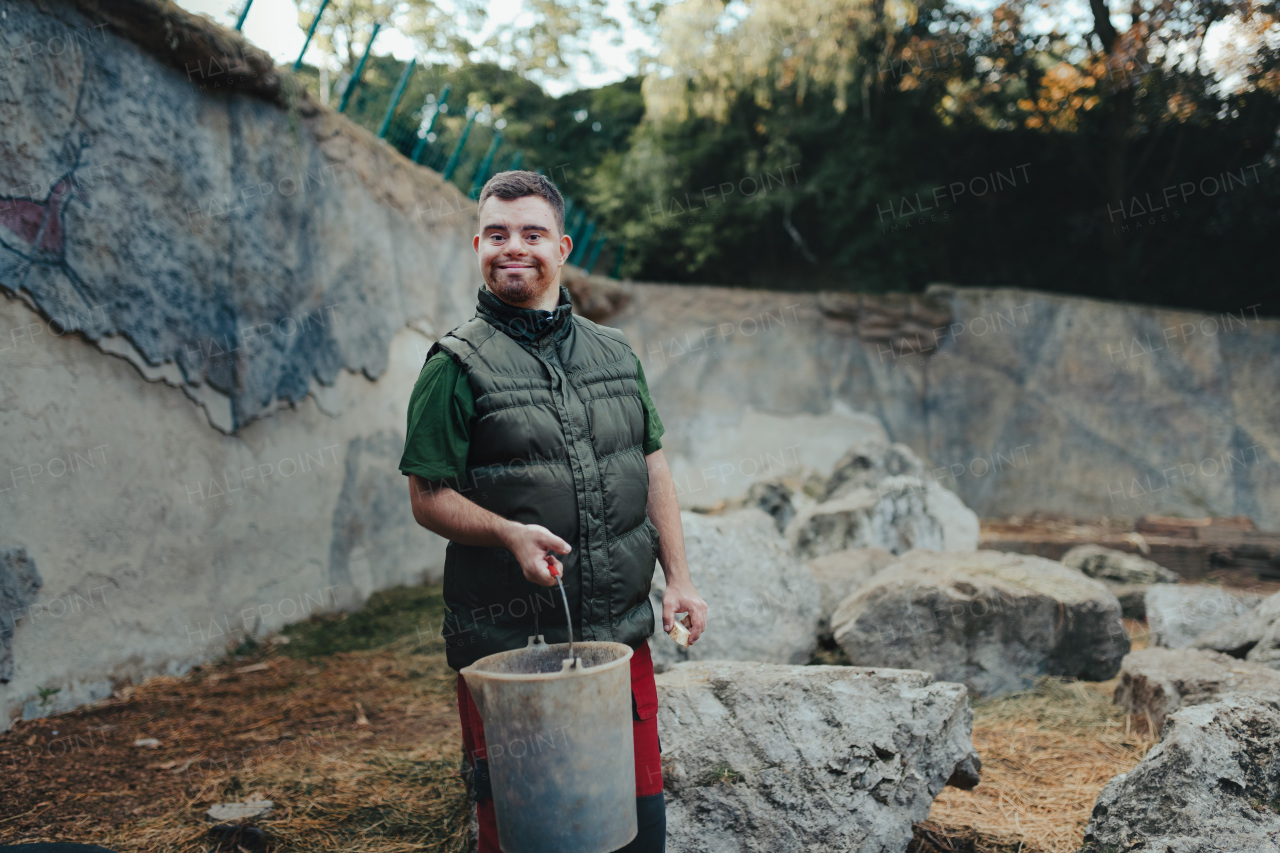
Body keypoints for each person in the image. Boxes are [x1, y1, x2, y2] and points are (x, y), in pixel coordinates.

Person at [399, 170, 708, 853]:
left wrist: (679, 578)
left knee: (636, 830)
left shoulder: (616, 354)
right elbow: (427, 495)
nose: (516, 247)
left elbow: (650, 464)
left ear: (562, 247)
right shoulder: (452, 364)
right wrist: (507, 532)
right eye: (499, 234)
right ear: (478, 245)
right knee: (524, 835)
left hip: (618, 644)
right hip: (510, 659)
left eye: (533, 233)